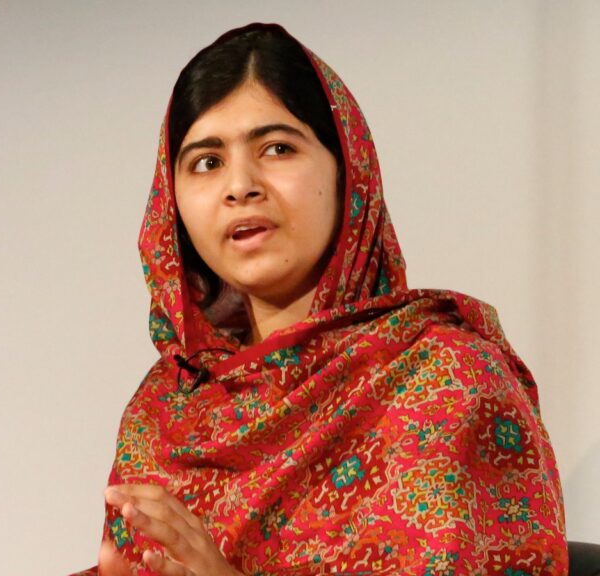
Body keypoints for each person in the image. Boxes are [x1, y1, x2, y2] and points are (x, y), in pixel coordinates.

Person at [72, 22, 567, 576]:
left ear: (347, 172)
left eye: (277, 148)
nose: (240, 185)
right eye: (207, 162)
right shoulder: (165, 409)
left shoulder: (447, 381)